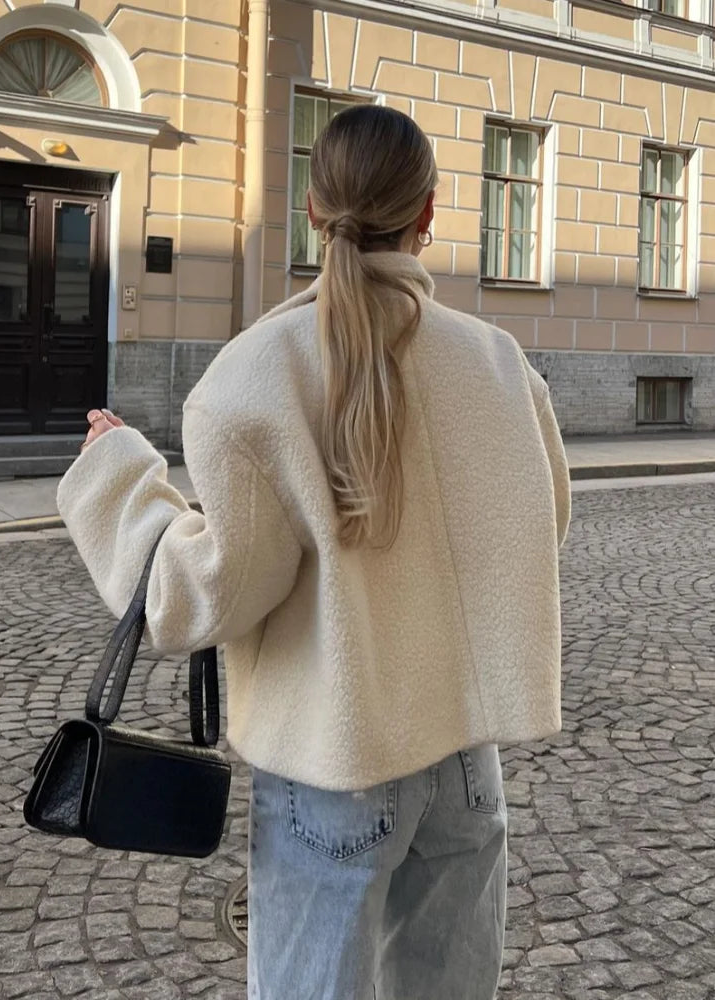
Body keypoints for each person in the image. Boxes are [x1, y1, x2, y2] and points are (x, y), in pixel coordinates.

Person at [58, 105, 570, 1000]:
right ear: (430, 212)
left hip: (334, 762)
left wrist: (121, 482)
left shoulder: (258, 373)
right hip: (463, 756)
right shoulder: (498, 364)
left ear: (310, 208)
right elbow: (540, 526)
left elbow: (199, 596)